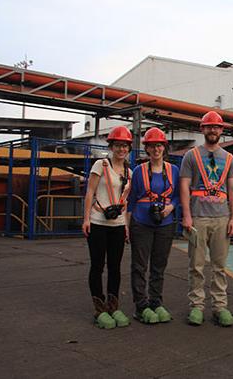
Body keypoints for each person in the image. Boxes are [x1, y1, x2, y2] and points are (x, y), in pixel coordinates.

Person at [180, 111, 233, 327]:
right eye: (208, 126)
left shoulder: (229, 158)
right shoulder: (191, 156)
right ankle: (196, 306)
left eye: (216, 127)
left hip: (221, 218)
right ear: (202, 129)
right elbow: (185, 186)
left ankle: (219, 306)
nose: (212, 130)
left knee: (219, 266)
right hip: (198, 218)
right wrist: (186, 215)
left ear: (221, 130)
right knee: (195, 265)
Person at [126, 127, 180, 324]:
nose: (156, 149)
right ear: (147, 149)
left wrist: (169, 209)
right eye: (152, 146)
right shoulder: (139, 172)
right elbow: (131, 200)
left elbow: (177, 197)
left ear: (164, 148)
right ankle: (141, 306)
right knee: (139, 265)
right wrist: (127, 225)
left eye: (159, 145)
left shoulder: (173, 170)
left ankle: (156, 302)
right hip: (141, 223)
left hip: (164, 223)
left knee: (159, 266)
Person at [82, 126, 133, 329]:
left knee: (115, 266)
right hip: (98, 222)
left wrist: (126, 226)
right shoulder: (100, 165)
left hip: (118, 224)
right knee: (97, 265)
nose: (121, 149)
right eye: (118, 145)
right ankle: (99, 308)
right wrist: (86, 219)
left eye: (125, 146)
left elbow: (126, 201)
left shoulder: (129, 171)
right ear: (111, 146)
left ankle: (113, 306)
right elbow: (90, 192)